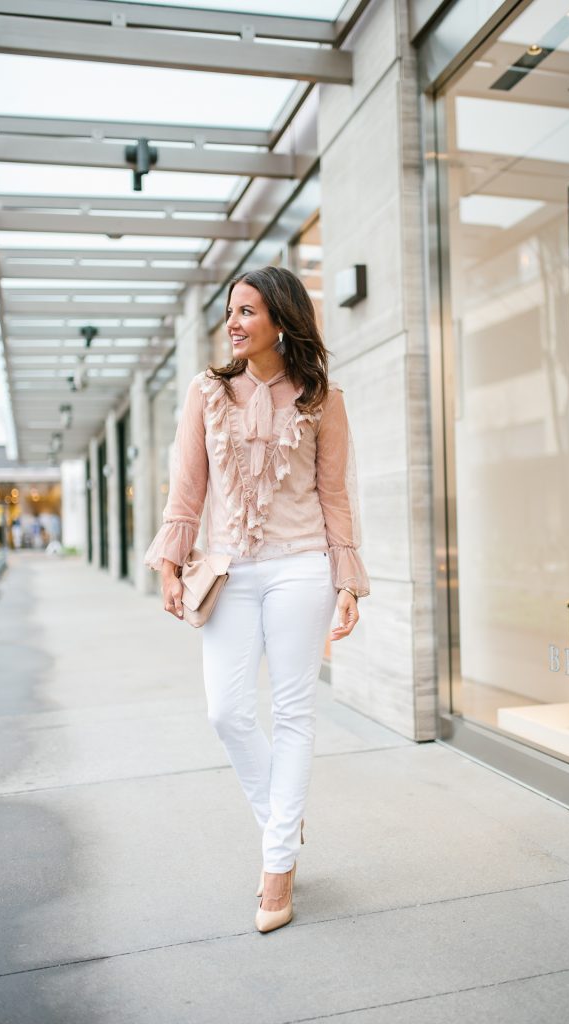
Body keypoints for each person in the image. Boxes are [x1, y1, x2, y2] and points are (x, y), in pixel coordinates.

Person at [143, 266, 370, 934]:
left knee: (295, 711)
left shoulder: (323, 398)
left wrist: (348, 581)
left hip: (301, 568)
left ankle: (277, 871)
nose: (234, 324)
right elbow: (186, 487)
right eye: (230, 313)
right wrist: (169, 566)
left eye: (246, 311)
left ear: (282, 319)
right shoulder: (206, 392)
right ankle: (283, 812)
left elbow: (334, 497)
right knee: (226, 711)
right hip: (229, 570)